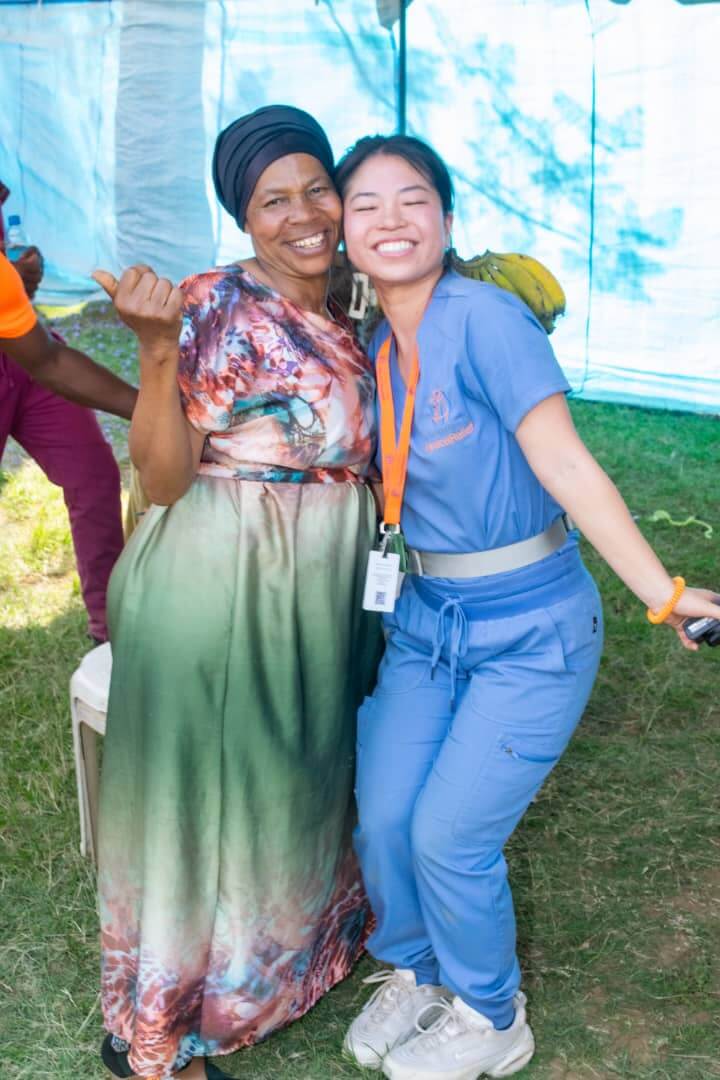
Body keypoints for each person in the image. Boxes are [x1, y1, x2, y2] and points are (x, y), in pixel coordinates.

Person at [334, 134, 720, 1080]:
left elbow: (566, 462)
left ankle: (491, 1014)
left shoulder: (488, 319)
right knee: (384, 816)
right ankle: (419, 975)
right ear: (343, 231)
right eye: (366, 204)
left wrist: (664, 593)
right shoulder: (378, 342)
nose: (391, 219)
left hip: (529, 628)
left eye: (412, 198)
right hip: (426, 621)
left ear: (447, 217)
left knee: (448, 835)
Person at [92, 106, 381, 1079]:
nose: (303, 215)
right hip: (220, 575)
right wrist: (155, 348)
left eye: (316, 188)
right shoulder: (213, 304)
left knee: (288, 780)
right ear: (242, 217)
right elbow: (165, 478)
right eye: (272, 201)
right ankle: (156, 1033)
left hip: (317, 581)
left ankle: (261, 981)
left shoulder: (360, 295)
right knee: (197, 807)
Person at [0, 183, 134, 641]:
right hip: (29, 352)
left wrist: (154, 409)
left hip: (24, 351)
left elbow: (48, 362)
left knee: (92, 474)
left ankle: (111, 630)